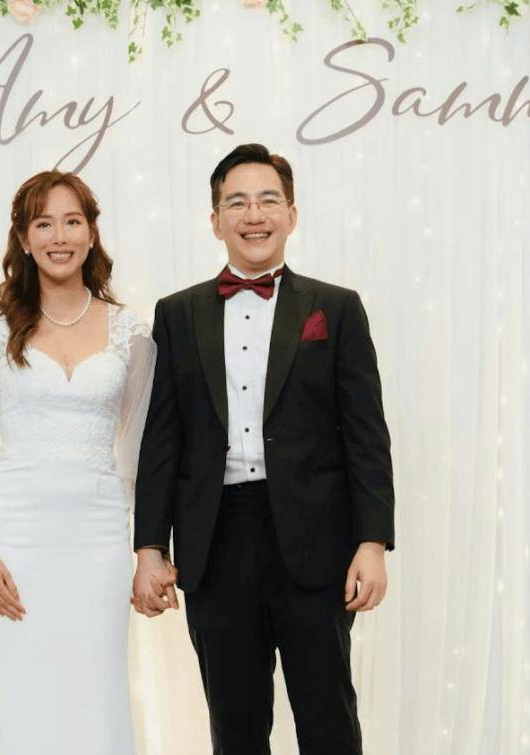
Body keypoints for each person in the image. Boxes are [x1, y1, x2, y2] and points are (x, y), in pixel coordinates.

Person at [131, 144, 395, 754]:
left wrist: (373, 541)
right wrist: (149, 547)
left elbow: (366, 434)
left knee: (328, 718)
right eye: (237, 203)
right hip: (215, 540)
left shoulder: (336, 308)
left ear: (292, 214)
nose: (254, 215)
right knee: (236, 725)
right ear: (215, 220)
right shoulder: (176, 314)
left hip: (316, 540)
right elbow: (162, 440)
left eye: (268, 200)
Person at [0, 171, 154, 754]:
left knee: (93, 692)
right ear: (23, 238)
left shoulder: (132, 334)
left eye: (72, 222)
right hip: (16, 539)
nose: (59, 237)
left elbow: (143, 458)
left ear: (92, 234)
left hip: (99, 541)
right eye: (43, 224)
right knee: (15, 691)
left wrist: (148, 551)